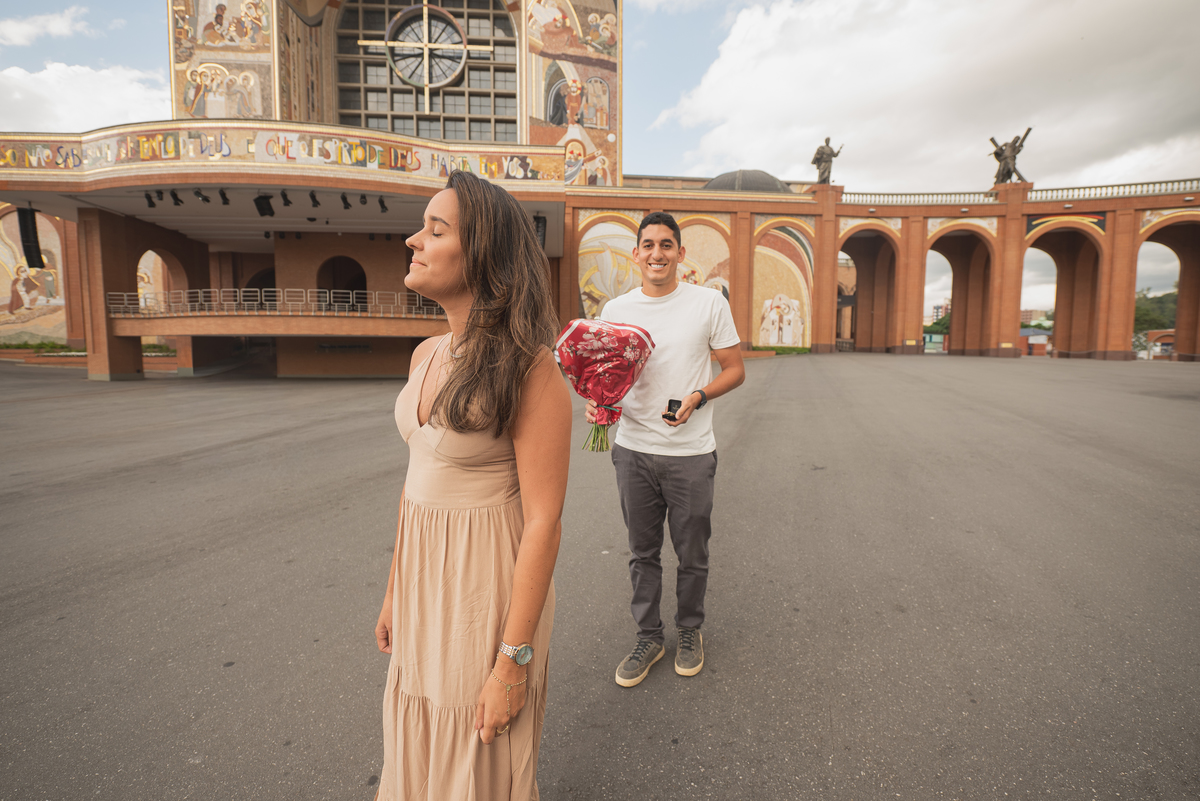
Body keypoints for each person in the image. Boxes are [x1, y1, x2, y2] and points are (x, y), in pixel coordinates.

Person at [374, 170, 571, 799]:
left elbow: (543, 521)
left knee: (475, 758)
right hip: (422, 580)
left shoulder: (532, 368)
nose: (414, 241)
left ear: (483, 252)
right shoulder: (425, 354)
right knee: (419, 742)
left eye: (436, 230)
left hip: (485, 586)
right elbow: (415, 486)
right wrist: (393, 591)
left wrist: (513, 662)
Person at [591, 212, 745, 687]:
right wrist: (600, 403)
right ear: (636, 253)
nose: (656, 253)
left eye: (666, 245)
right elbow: (605, 375)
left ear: (680, 253)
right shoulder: (615, 310)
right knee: (643, 553)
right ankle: (649, 637)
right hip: (633, 451)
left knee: (692, 553)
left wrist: (699, 396)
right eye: (648, 245)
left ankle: (690, 630)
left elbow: (734, 369)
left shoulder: (708, 303)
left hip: (691, 454)